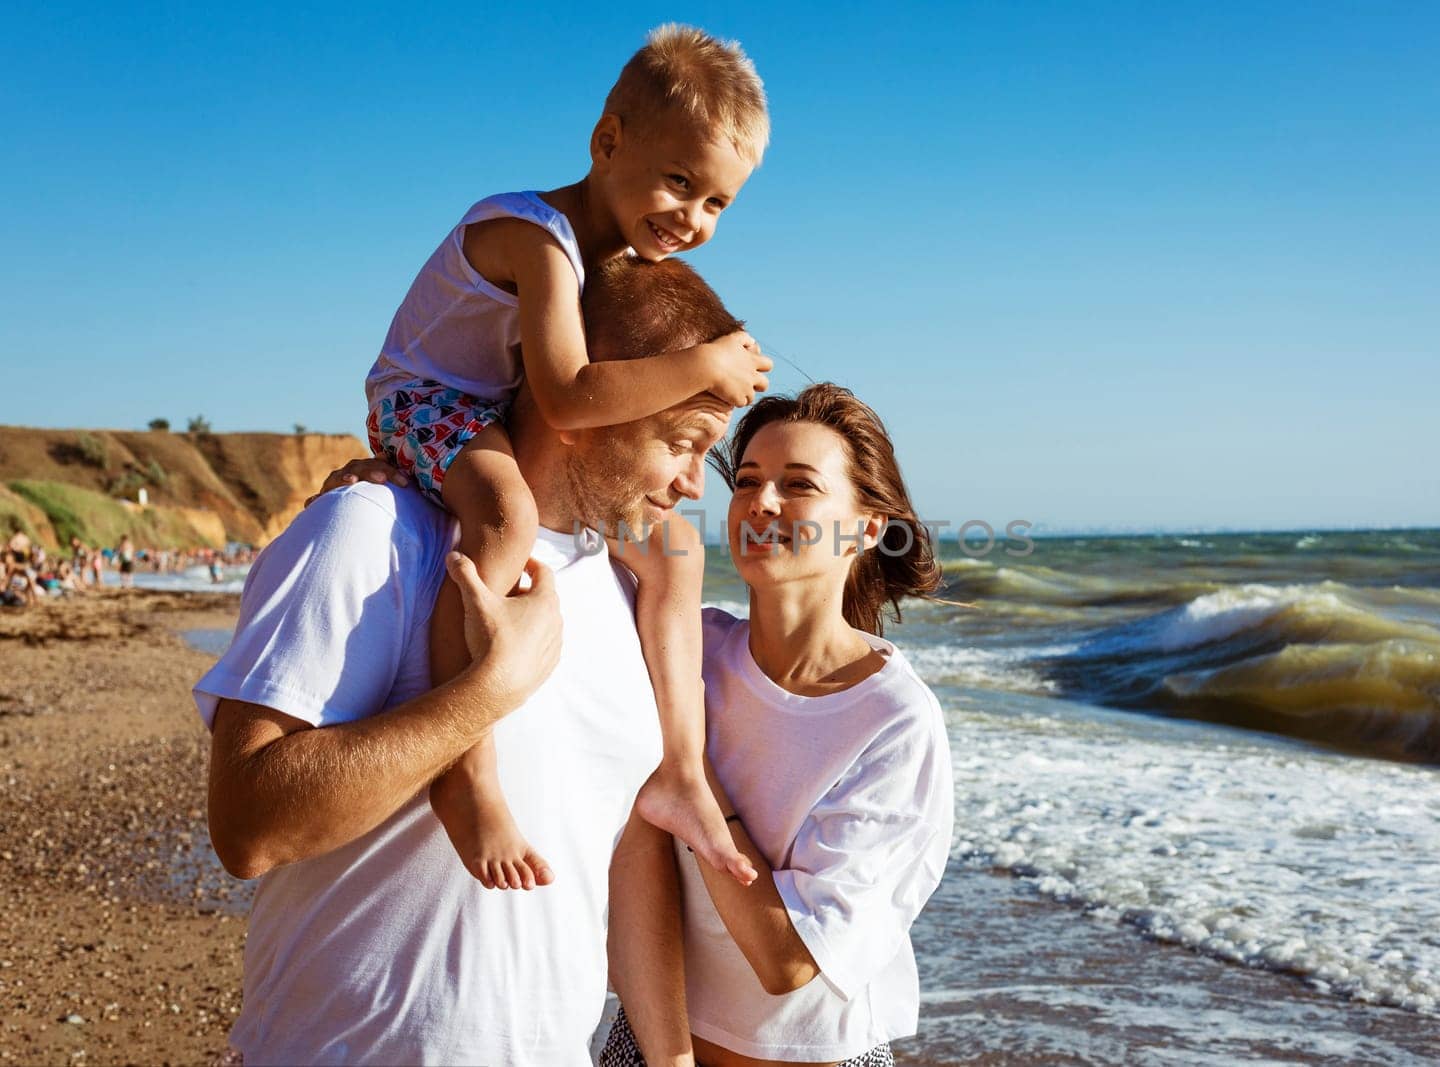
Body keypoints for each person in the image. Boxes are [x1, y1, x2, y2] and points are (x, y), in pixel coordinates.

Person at [197, 256, 746, 1065]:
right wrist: (486, 692)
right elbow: (247, 825)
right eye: (682, 442)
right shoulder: (371, 531)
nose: (696, 484)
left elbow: (623, 846)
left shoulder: (622, 587)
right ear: (581, 407)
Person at [363, 23, 771, 892]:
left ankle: (683, 773)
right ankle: (464, 770)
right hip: (427, 401)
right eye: (679, 182)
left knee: (679, 552)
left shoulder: (616, 254)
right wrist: (706, 362)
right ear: (607, 141)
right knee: (505, 515)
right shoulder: (538, 238)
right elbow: (570, 398)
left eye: (717, 204)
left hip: (492, 411)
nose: (693, 220)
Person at [602, 385, 954, 1067]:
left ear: (866, 526)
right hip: (650, 1047)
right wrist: (400, 479)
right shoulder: (687, 646)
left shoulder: (894, 721)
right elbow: (560, 514)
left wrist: (690, 767)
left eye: (798, 485)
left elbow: (789, 959)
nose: (761, 503)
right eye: (748, 481)